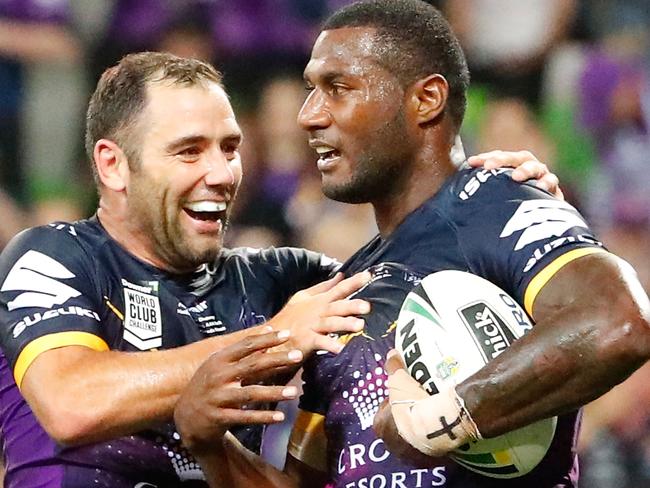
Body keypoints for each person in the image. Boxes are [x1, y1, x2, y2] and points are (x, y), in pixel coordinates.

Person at [172, 1, 650, 487]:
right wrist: (210, 446)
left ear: (426, 99)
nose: (308, 116)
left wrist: (445, 419)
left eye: (337, 89)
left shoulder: (496, 203)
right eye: (310, 91)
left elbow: (620, 320)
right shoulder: (342, 291)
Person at [0, 51, 375, 487]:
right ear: (113, 165)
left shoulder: (279, 280)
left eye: (230, 148)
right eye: (189, 151)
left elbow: (406, 274)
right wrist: (276, 338)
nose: (221, 173)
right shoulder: (55, 255)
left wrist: (464, 190)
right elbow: (71, 402)